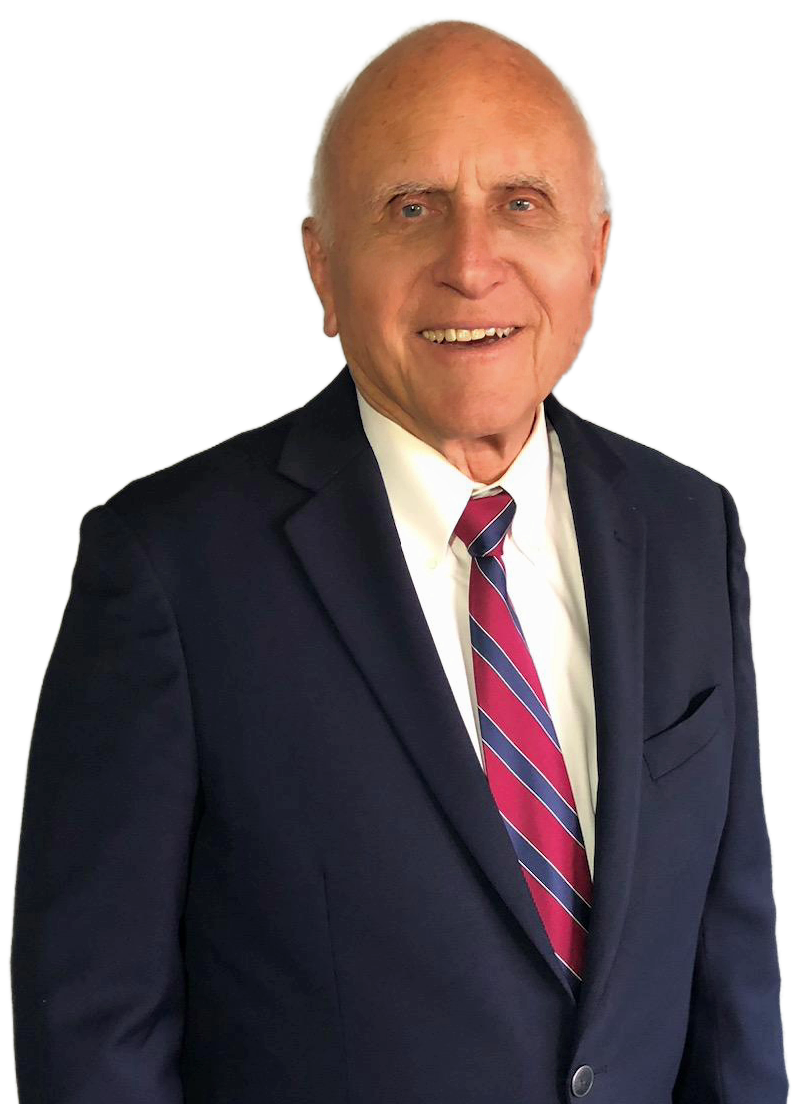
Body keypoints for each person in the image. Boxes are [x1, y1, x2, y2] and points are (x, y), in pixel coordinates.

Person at [9, 16, 788, 1104]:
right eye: (410, 209)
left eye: (522, 203)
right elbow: (91, 1044)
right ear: (321, 269)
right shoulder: (166, 567)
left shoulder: (690, 524)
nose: (471, 265)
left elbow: (734, 987)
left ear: (597, 249)